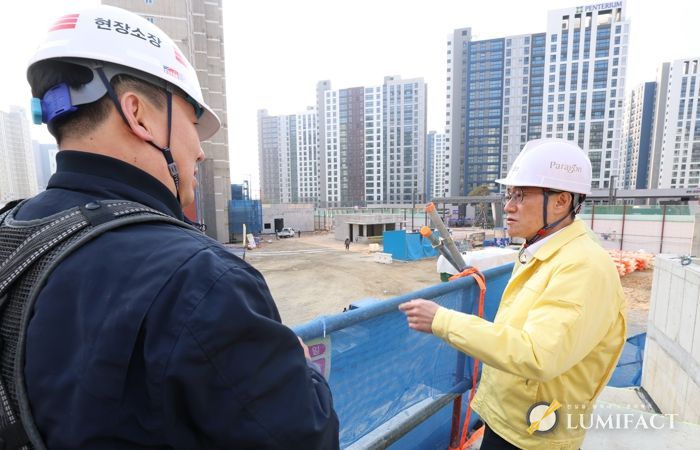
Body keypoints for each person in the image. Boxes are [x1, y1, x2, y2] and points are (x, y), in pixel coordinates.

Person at [4, 5, 338, 448]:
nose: (199, 150)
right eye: (192, 122)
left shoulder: (11, 236)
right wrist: (303, 371)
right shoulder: (199, 279)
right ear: (138, 113)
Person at [400, 139, 626, 450]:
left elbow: (538, 354)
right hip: (511, 420)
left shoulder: (583, 266)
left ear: (561, 202)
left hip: (534, 435)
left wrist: (442, 320)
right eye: (509, 195)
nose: (508, 206)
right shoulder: (541, 252)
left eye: (521, 195)